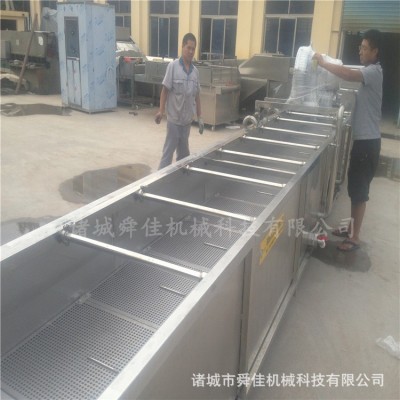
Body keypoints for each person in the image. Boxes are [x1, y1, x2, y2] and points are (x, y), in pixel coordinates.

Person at [313, 29, 382, 252]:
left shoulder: (373, 72)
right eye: (360, 47)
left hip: (367, 143)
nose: (360, 51)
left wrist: (323, 62)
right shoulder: (370, 73)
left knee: (359, 191)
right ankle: (350, 230)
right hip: (364, 141)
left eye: (364, 48)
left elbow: (347, 74)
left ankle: (354, 237)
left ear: (375, 51)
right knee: (354, 187)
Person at [155, 32, 203, 169]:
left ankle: (181, 179)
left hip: (186, 122)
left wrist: (200, 117)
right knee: (167, 154)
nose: (191, 51)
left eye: (193, 49)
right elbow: (165, 91)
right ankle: (160, 179)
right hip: (174, 121)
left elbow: (197, 96)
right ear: (182, 47)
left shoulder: (195, 72)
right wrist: (161, 111)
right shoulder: (173, 67)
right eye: (188, 48)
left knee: (184, 156)